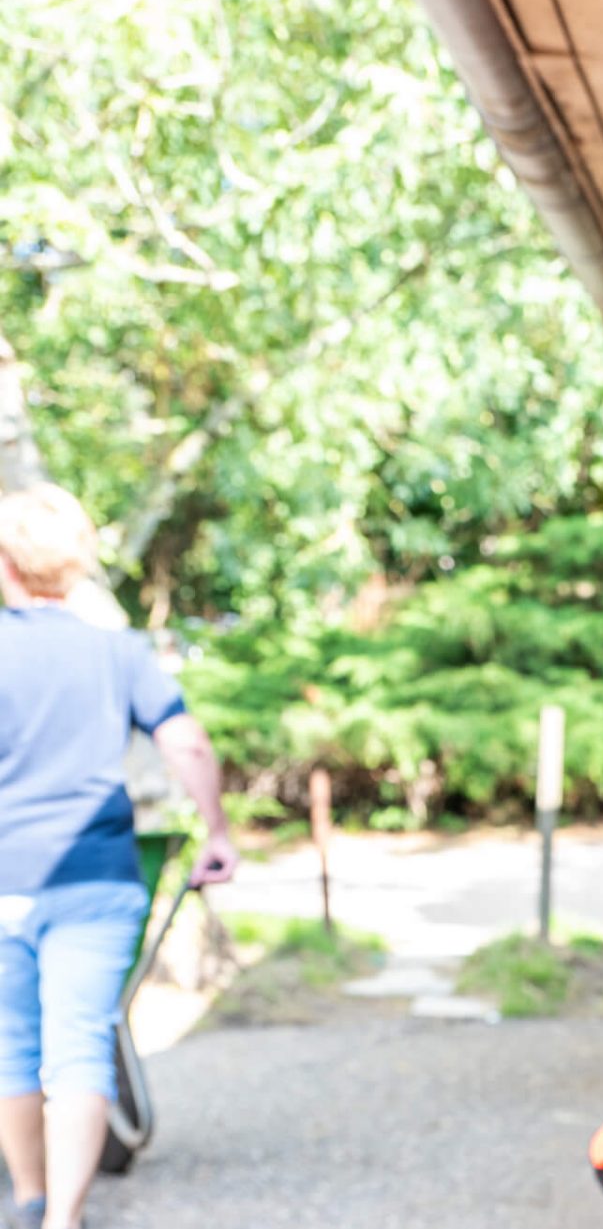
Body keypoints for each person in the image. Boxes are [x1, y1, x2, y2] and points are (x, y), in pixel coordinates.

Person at [0, 485, 235, 1229]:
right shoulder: (117, 651)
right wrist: (219, 832)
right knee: (79, 1046)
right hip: (99, 878)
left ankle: (30, 1197)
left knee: (11, 1047)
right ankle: (63, 1217)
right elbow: (186, 741)